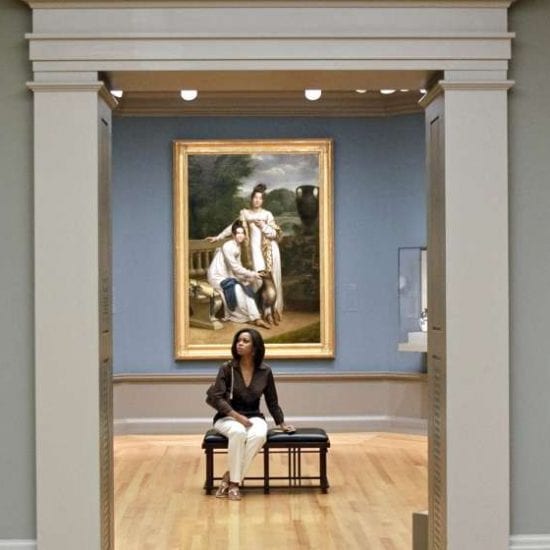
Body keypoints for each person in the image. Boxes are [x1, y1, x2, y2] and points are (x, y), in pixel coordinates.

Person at [206, 329, 295, 501]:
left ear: (255, 348)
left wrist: (282, 423)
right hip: (226, 417)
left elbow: (272, 401)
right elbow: (217, 398)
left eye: (245, 341)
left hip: (254, 416)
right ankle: (234, 485)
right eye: (238, 340)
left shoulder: (265, 371)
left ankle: (230, 477)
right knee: (238, 432)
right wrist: (237, 417)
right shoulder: (227, 368)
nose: (239, 343)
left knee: (260, 435)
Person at [207, 183, 283, 326]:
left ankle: (269, 311)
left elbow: (275, 234)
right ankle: (259, 311)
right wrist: (218, 237)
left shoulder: (267, 214)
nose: (257, 200)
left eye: (260, 198)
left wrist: (264, 226)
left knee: (268, 281)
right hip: (250, 253)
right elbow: (233, 227)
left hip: (266, 252)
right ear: (251, 199)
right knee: (256, 281)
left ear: (263, 200)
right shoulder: (245, 213)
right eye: (255, 197)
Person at [207, 220, 270, 329]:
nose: (240, 235)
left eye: (242, 233)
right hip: (217, 276)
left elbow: (238, 266)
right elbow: (235, 267)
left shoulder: (237, 246)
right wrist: (252, 273)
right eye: (238, 233)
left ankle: (255, 317)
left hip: (228, 274)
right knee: (238, 288)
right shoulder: (227, 246)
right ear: (233, 235)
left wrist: (246, 277)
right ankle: (254, 318)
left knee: (246, 285)